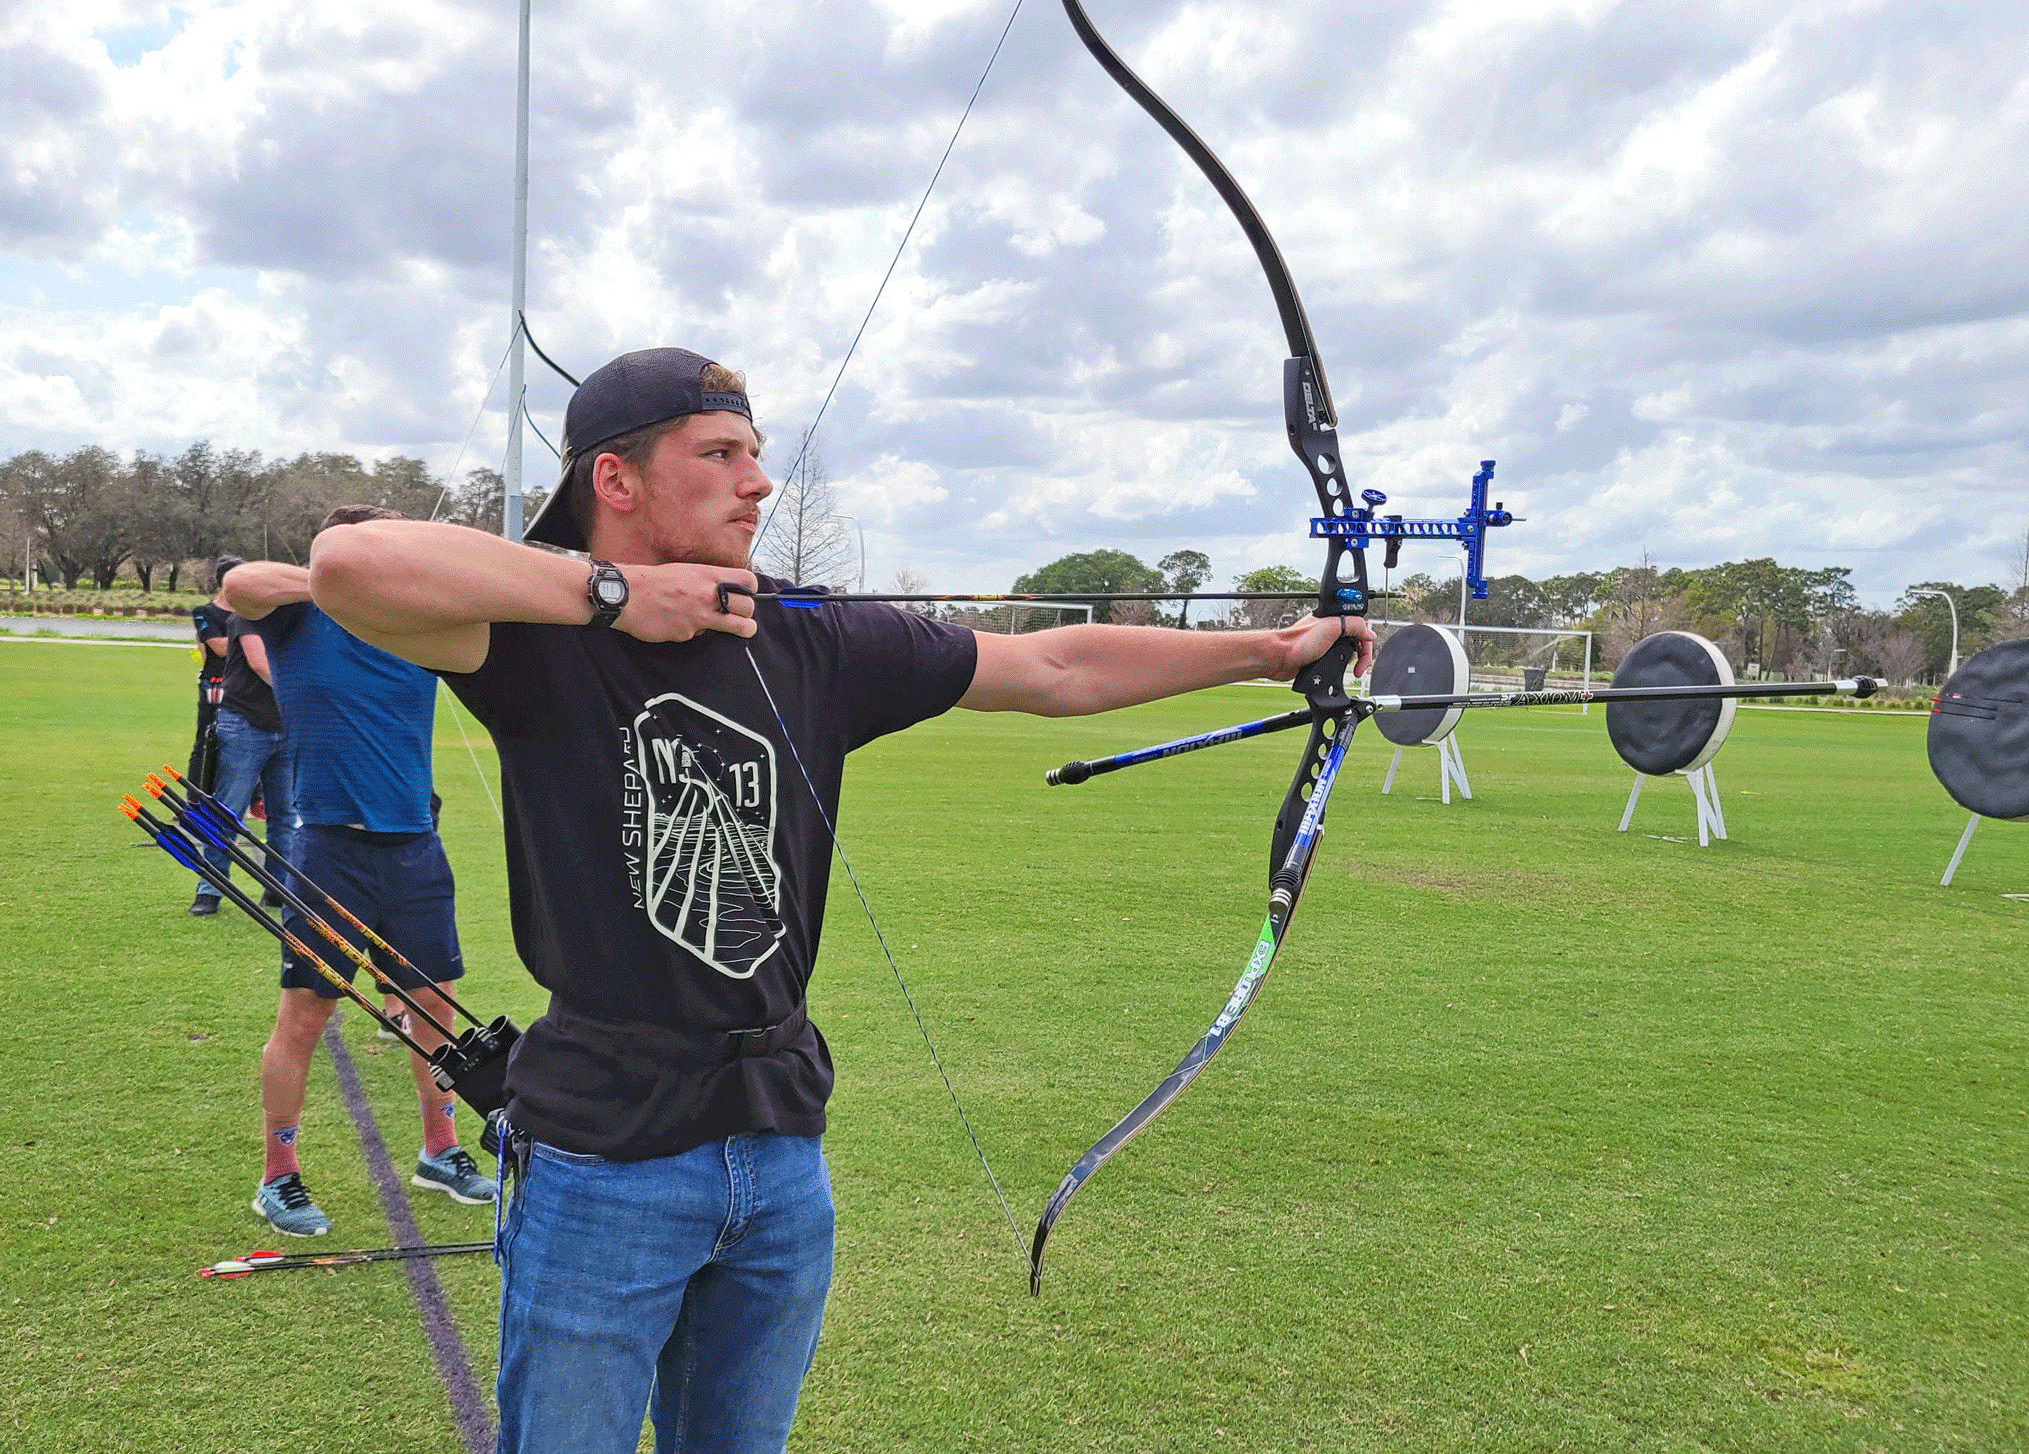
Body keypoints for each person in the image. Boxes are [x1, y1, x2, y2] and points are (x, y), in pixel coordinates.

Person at [309, 347, 1371, 1454]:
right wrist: (619, 597)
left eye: (756, 455)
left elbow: (1053, 670)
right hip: (602, 1160)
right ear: (615, 483)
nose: (757, 482)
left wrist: (1271, 650)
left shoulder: (807, 636)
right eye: (718, 454)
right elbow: (347, 564)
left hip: (778, 1150)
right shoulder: (541, 640)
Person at [223, 509, 496, 1239]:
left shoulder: (413, 629)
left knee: (434, 1010)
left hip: (416, 848)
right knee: (307, 1013)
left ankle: (440, 1151)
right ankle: (278, 1175)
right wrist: (336, 581)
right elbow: (236, 583)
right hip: (330, 850)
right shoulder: (295, 620)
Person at [187, 562, 300, 918]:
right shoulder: (245, 618)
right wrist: (301, 693)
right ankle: (210, 889)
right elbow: (259, 663)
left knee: (285, 815)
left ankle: (278, 887)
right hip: (246, 725)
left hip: (286, 728)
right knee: (227, 811)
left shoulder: (294, 621)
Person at [186, 555, 243, 791]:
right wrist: (248, 639)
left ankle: (250, 798)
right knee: (207, 741)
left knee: (247, 743)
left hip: (244, 684)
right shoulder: (204, 612)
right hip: (215, 684)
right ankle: (196, 797)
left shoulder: (248, 611)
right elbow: (218, 648)